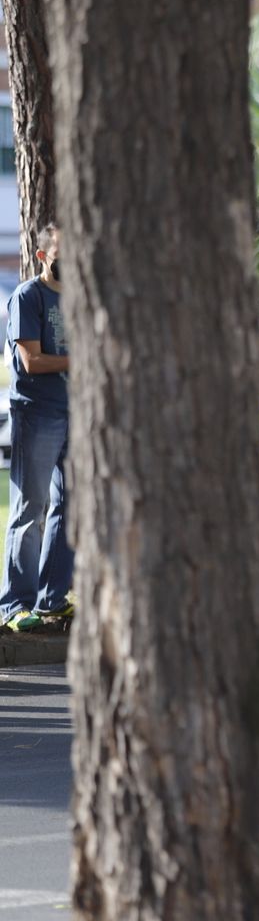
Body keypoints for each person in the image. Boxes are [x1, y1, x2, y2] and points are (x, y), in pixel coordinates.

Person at [1, 223, 74, 634]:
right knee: (31, 510)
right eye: (63, 251)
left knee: (70, 507)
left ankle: (52, 599)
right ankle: (15, 604)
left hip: (77, 416)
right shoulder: (29, 296)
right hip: (37, 413)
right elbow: (31, 360)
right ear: (44, 255)